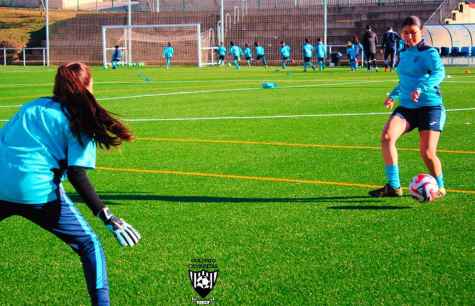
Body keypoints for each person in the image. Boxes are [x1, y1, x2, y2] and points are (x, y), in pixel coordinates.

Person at [0, 62, 141, 306]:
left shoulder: (31, 106)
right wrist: (107, 217)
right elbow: (77, 175)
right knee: (89, 244)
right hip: (38, 193)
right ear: (87, 85)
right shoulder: (79, 120)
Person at [369, 16, 447, 199]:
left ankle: (440, 187)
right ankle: (394, 187)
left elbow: (439, 73)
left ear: (421, 32)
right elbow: (405, 80)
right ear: (401, 34)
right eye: (406, 33)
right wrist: (393, 95)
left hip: (430, 107)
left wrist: (421, 88)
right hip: (407, 107)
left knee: (427, 153)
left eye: (413, 33)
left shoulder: (429, 52)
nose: (409, 37)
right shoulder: (403, 53)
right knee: (387, 138)